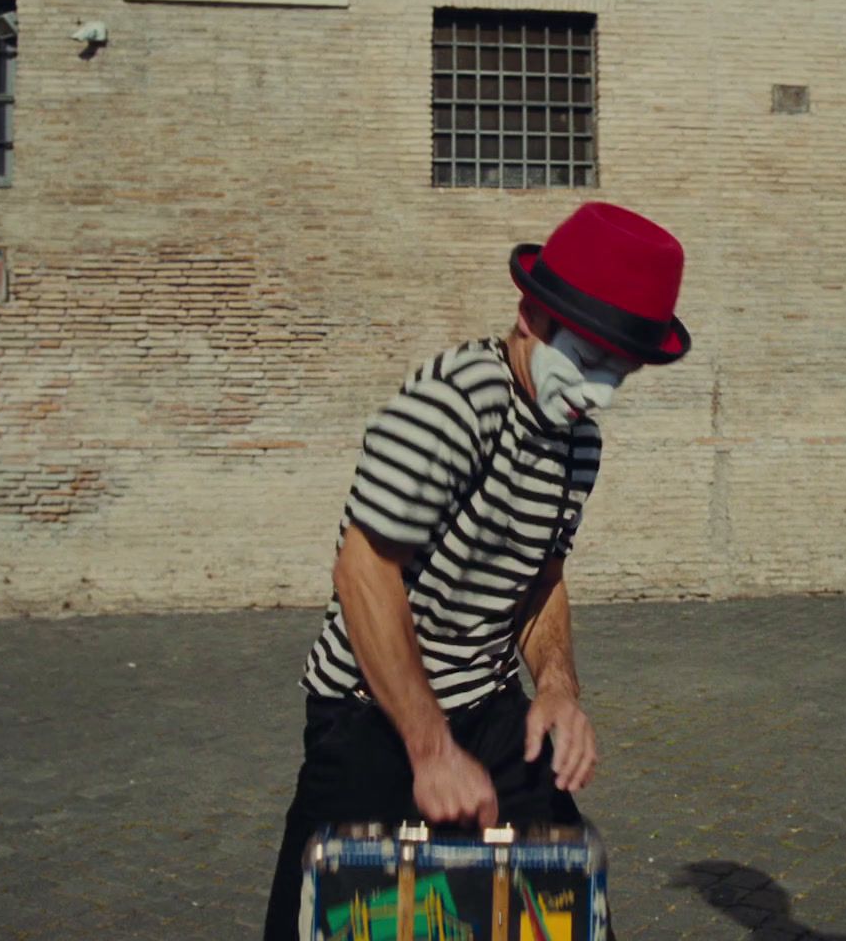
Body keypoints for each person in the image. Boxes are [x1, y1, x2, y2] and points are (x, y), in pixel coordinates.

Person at [262, 201, 691, 939]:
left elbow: (542, 575)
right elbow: (363, 572)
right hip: (368, 714)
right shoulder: (455, 401)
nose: (597, 394)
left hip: (488, 709)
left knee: (569, 905)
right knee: (330, 917)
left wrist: (556, 686)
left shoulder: (576, 442)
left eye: (618, 375)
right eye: (587, 363)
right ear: (530, 314)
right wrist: (430, 750)